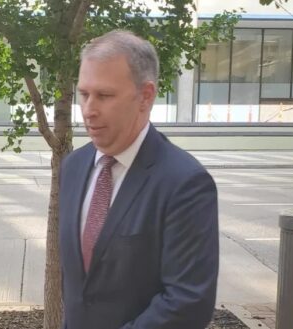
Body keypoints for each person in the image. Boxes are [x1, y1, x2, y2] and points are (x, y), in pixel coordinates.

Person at [58, 30, 219, 329]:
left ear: (145, 96)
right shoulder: (73, 167)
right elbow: (76, 286)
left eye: (104, 95)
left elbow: (188, 302)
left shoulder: (185, 183)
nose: (89, 110)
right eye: (84, 94)